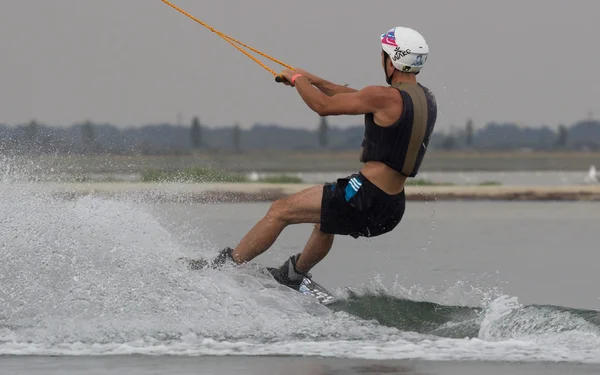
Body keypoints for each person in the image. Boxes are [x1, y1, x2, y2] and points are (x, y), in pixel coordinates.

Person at [197, 26, 437, 290]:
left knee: (281, 210)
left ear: (391, 60)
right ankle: (294, 273)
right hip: (392, 206)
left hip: (365, 195)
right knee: (325, 219)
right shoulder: (425, 98)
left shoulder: (383, 96)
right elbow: (349, 95)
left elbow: (323, 106)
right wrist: (310, 79)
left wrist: (298, 79)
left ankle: (227, 268)